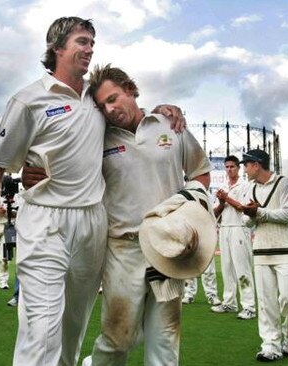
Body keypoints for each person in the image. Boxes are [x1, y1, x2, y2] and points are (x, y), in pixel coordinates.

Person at [0, 17, 184, 366]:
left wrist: (164, 111)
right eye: (82, 41)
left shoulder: (96, 102)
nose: (90, 48)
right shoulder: (28, 100)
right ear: (56, 48)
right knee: (43, 330)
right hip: (46, 221)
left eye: (92, 41)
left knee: (72, 329)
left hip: (93, 223)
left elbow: (129, 121)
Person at [37, 64, 211, 365]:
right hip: (123, 248)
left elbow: (200, 173)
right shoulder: (100, 138)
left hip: (168, 247)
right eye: (103, 106)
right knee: (119, 338)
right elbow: (63, 168)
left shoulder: (169, 125)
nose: (110, 109)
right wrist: (37, 172)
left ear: (130, 89)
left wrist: (185, 211)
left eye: (114, 98)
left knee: (165, 338)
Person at [241, 149, 288, 362]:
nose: (244, 169)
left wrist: (259, 212)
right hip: (261, 251)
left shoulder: (286, 183)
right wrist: (250, 214)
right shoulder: (250, 189)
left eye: (246, 164)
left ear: (256, 165)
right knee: (266, 303)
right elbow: (246, 222)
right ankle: (270, 345)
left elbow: (287, 214)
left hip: (287, 250)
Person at [211, 155, 256, 320]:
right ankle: (229, 302)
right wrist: (222, 203)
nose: (229, 169)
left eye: (232, 167)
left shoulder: (245, 186)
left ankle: (249, 306)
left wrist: (226, 198)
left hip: (239, 228)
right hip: (224, 228)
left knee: (242, 268)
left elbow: (245, 208)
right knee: (227, 268)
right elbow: (217, 212)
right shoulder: (223, 187)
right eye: (227, 167)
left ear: (238, 168)